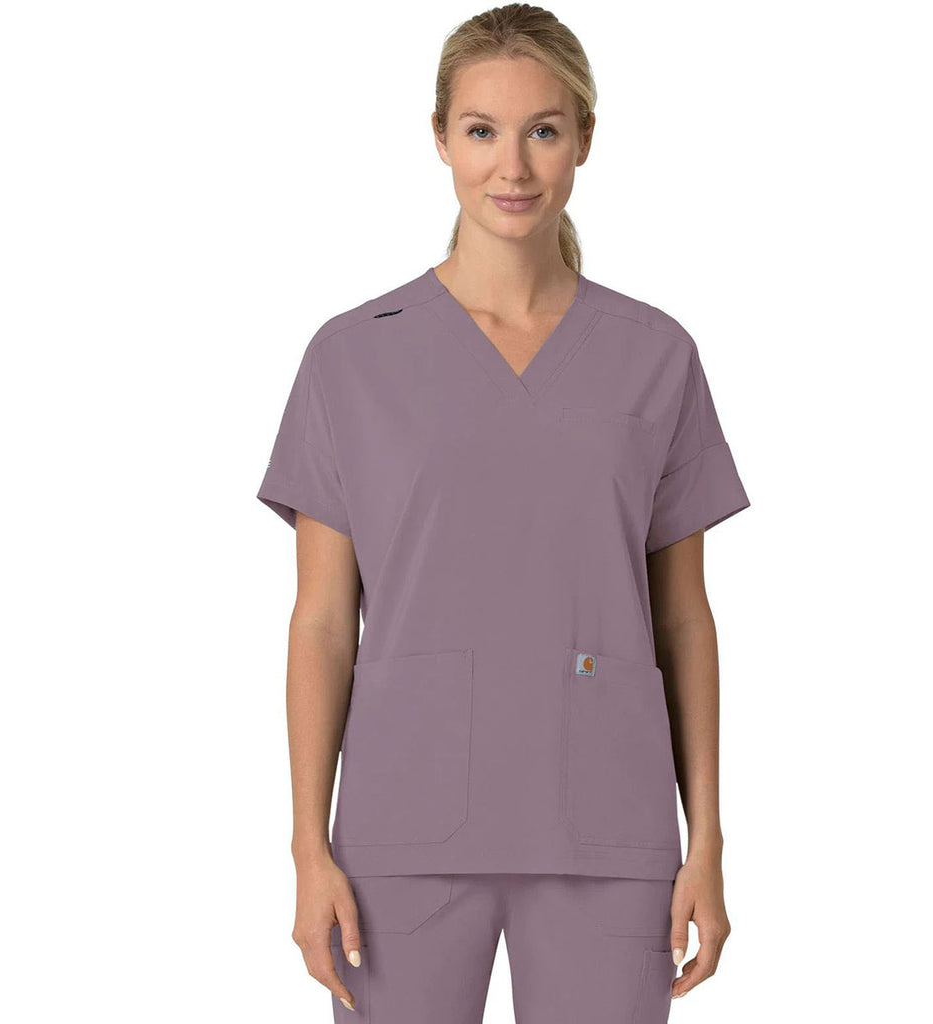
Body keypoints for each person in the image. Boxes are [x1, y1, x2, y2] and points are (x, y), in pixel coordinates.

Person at [256, 4, 750, 1021]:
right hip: (400, 830)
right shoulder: (351, 357)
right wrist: (308, 847)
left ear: (585, 139)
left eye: (544, 130)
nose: (512, 166)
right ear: (440, 138)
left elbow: (684, 619)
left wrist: (706, 840)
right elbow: (321, 622)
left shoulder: (655, 356)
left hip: (609, 827)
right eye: (482, 130)